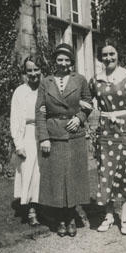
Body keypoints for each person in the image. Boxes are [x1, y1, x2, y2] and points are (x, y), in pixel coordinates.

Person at [35, 43, 92, 237]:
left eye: (67, 59)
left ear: (71, 62)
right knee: (57, 178)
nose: (63, 63)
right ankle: (60, 219)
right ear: (55, 61)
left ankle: (71, 218)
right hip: (54, 135)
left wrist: (79, 118)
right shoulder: (46, 82)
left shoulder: (81, 80)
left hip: (74, 135)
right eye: (60, 59)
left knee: (73, 178)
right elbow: (40, 112)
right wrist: (44, 137)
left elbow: (88, 104)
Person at [90, 40, 126, 235]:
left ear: (118, 54)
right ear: (100, 57)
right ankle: (109, 216)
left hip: (125, 130)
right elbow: (87, 103)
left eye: (112, 53)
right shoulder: (95, 80)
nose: (109, 57)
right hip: (105, 132)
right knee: (106, 174)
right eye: (105, 55)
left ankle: (125, 218)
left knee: (125, 173)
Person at [10, 56, 43, 226]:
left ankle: (43, 207)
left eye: (36, 69)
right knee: (29, 172)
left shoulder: (45, 88)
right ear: (25, 73)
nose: (33, 73)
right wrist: (18, 144)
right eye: (29, 70)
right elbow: (15, 119)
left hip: (45, 134)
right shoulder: (20, 92)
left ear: (41, 70)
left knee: (42, 173)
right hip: (28, 136)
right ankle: (31, 211)